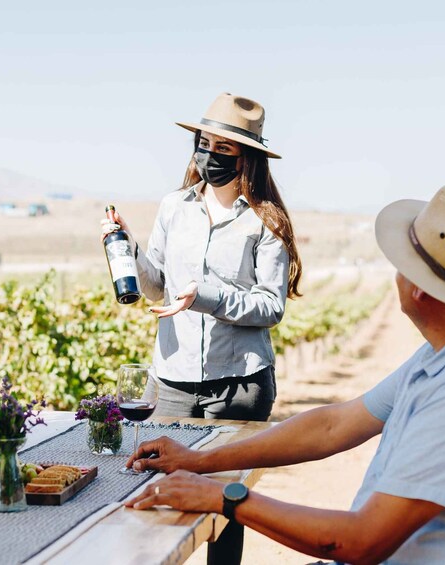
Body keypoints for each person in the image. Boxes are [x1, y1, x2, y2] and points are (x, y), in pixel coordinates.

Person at [124, 185, 445, 564]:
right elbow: (333, 425)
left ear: (417, 287)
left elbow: (360, 541)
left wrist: (224, 499)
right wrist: (200, 461)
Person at [102, 92, 302, 563]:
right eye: (203, 142)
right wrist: (127, 249)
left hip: (238, 386)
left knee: (225, 510)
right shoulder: (174, 207)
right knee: (157, 499)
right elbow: (155, 287)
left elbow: (270, 306)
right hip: (170, 383)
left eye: (222, 148)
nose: (208, 155)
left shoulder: (265, 221)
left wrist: (205, 294)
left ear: (245, 159)